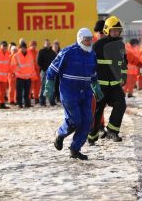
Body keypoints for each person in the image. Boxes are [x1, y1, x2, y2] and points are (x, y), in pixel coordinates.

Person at [46, 28, 100, 160]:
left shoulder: (92, 54)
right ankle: (60, 134)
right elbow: (53, 68)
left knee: (87, 120)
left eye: (90, 40)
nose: (89, 42)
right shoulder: (68, 52)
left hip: (86, 92)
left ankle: (75, 149)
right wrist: (49, 84)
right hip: (69, 91)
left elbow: (93, 72)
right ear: (80, 39)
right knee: (75, 120)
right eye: (86, 40)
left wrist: (95, 85)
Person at [88, 15, 127, 144]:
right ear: (107, 30)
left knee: (121, 104)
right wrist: (92, 82)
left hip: (115, 85)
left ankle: (112, 131)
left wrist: (124, 76)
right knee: (98, 111)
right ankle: (92, 136)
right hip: (101, 85)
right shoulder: (98, 45)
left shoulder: (121, 45)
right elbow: (90, 64)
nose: (116, 33)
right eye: (114, 30)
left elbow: (123, 62)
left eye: (118, 30)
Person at [11, 41, 36, 108]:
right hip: (20, 76)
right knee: (19, 91)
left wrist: (32, 74)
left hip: (28, 76)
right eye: (22, 48)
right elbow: (13, 66)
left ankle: (27, 103)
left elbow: (32, 65)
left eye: (24, 48)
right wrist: (20, 70)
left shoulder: (30, 55)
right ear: (20, 48)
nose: (23, 49)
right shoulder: (16, 55)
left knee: (27, 91)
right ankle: (19, 103)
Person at [37, 39, 56, 106]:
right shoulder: (41, 51)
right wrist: (45, 69)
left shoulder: (52, 52)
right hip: (44, 71)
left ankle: (52, 101)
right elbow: (39, 62)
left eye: (48, 43)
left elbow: (55, 62)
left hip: (51, 72)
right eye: (46, 44)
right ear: (44, 44)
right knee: (43, 87)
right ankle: (42, 102)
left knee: (51, 86)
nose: (47, 45)